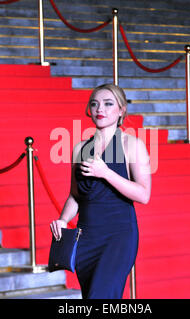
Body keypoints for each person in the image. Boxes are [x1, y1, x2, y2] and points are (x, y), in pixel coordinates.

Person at [49, 83, 152, 299]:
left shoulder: (131, 144)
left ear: (121, 110)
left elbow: (143, 194)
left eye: (108, 104)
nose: (100, 109)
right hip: (86, 238)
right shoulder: (80, 148)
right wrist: (62, 219)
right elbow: (75, 195)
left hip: (118, 236)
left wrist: (106, 173)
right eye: (94, 104)